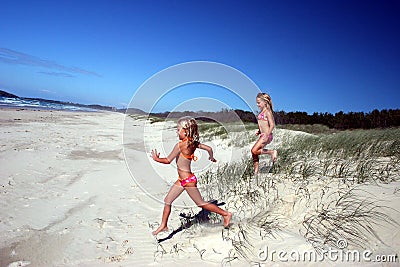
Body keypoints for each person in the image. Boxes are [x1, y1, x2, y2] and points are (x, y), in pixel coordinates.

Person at [151, 116, 232, 236]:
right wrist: (211, 156)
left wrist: (156, 159)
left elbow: (168, 160)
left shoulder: (180, 145)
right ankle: (164, 225)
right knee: (167, 200)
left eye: (178, 129)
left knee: (200, 203)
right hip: (182, 180)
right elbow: (209, 148)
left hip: (188, 181)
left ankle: (226, 214)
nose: (177, 132)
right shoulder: (193, 143)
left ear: (186, 131)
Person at [251, 92, 278, 174]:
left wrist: (267, 134)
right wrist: (259, 131)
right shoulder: (262, 112)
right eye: (256, 102)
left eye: (259, 102)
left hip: (266, 135)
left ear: (265, 102)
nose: (257, 104)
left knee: (254, 150)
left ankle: (272, 152)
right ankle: (256, 172)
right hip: (262, 135)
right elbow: (263, 124)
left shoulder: (267, 112)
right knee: (254, 153)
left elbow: (272, 125)